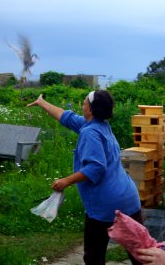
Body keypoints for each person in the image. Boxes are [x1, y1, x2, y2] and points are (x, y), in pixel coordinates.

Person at [27, 90, 143, 265]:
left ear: (91, 108)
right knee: (140, 254)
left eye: (84, 103)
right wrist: (41, 102)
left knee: (94, 256)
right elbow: (66, 117)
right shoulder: (99, 125)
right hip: (129, 199)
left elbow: (96, 168)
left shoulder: (90, 132)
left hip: (106, 205)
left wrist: (65, 181)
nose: (82, 106)